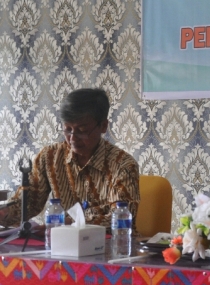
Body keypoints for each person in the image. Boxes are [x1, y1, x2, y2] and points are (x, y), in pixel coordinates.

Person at [0, 88, 140, 231]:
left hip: (110, 242)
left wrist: (67, 223)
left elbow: (122, 216)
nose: (72, 138)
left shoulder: (122, 165)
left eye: (82, 131)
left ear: (103, 126)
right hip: (61, 242)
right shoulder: (49, 157)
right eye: (67, 129)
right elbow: (28, 201)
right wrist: (5, 212)